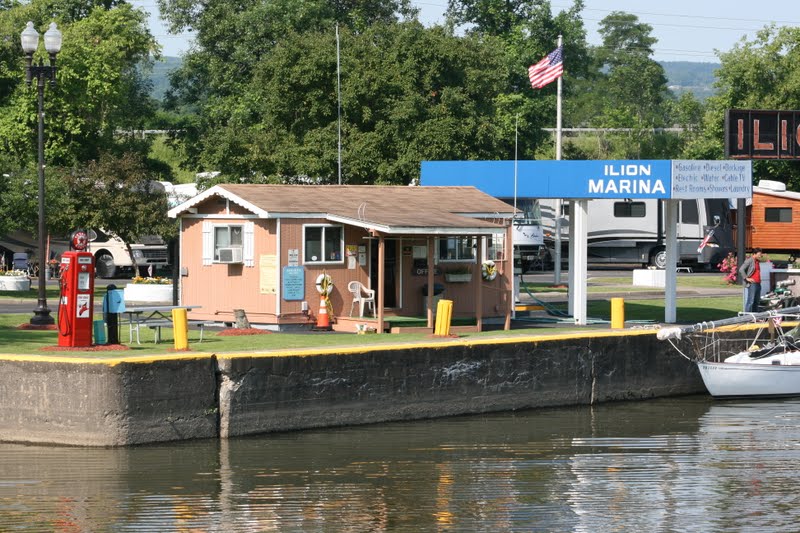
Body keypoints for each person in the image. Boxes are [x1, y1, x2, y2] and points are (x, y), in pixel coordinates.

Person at [738, 248, 764, 313]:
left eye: (761, 254)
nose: (760, 256)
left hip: (758, 283)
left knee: (756, 301)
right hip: (752, 284)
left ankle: (755, 317)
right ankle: (747, 317)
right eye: (759, 254)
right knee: (750, 301)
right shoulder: (749, 261)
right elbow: (741, 269)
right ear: (754, 254)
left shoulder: (757, 261)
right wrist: (746, 278)